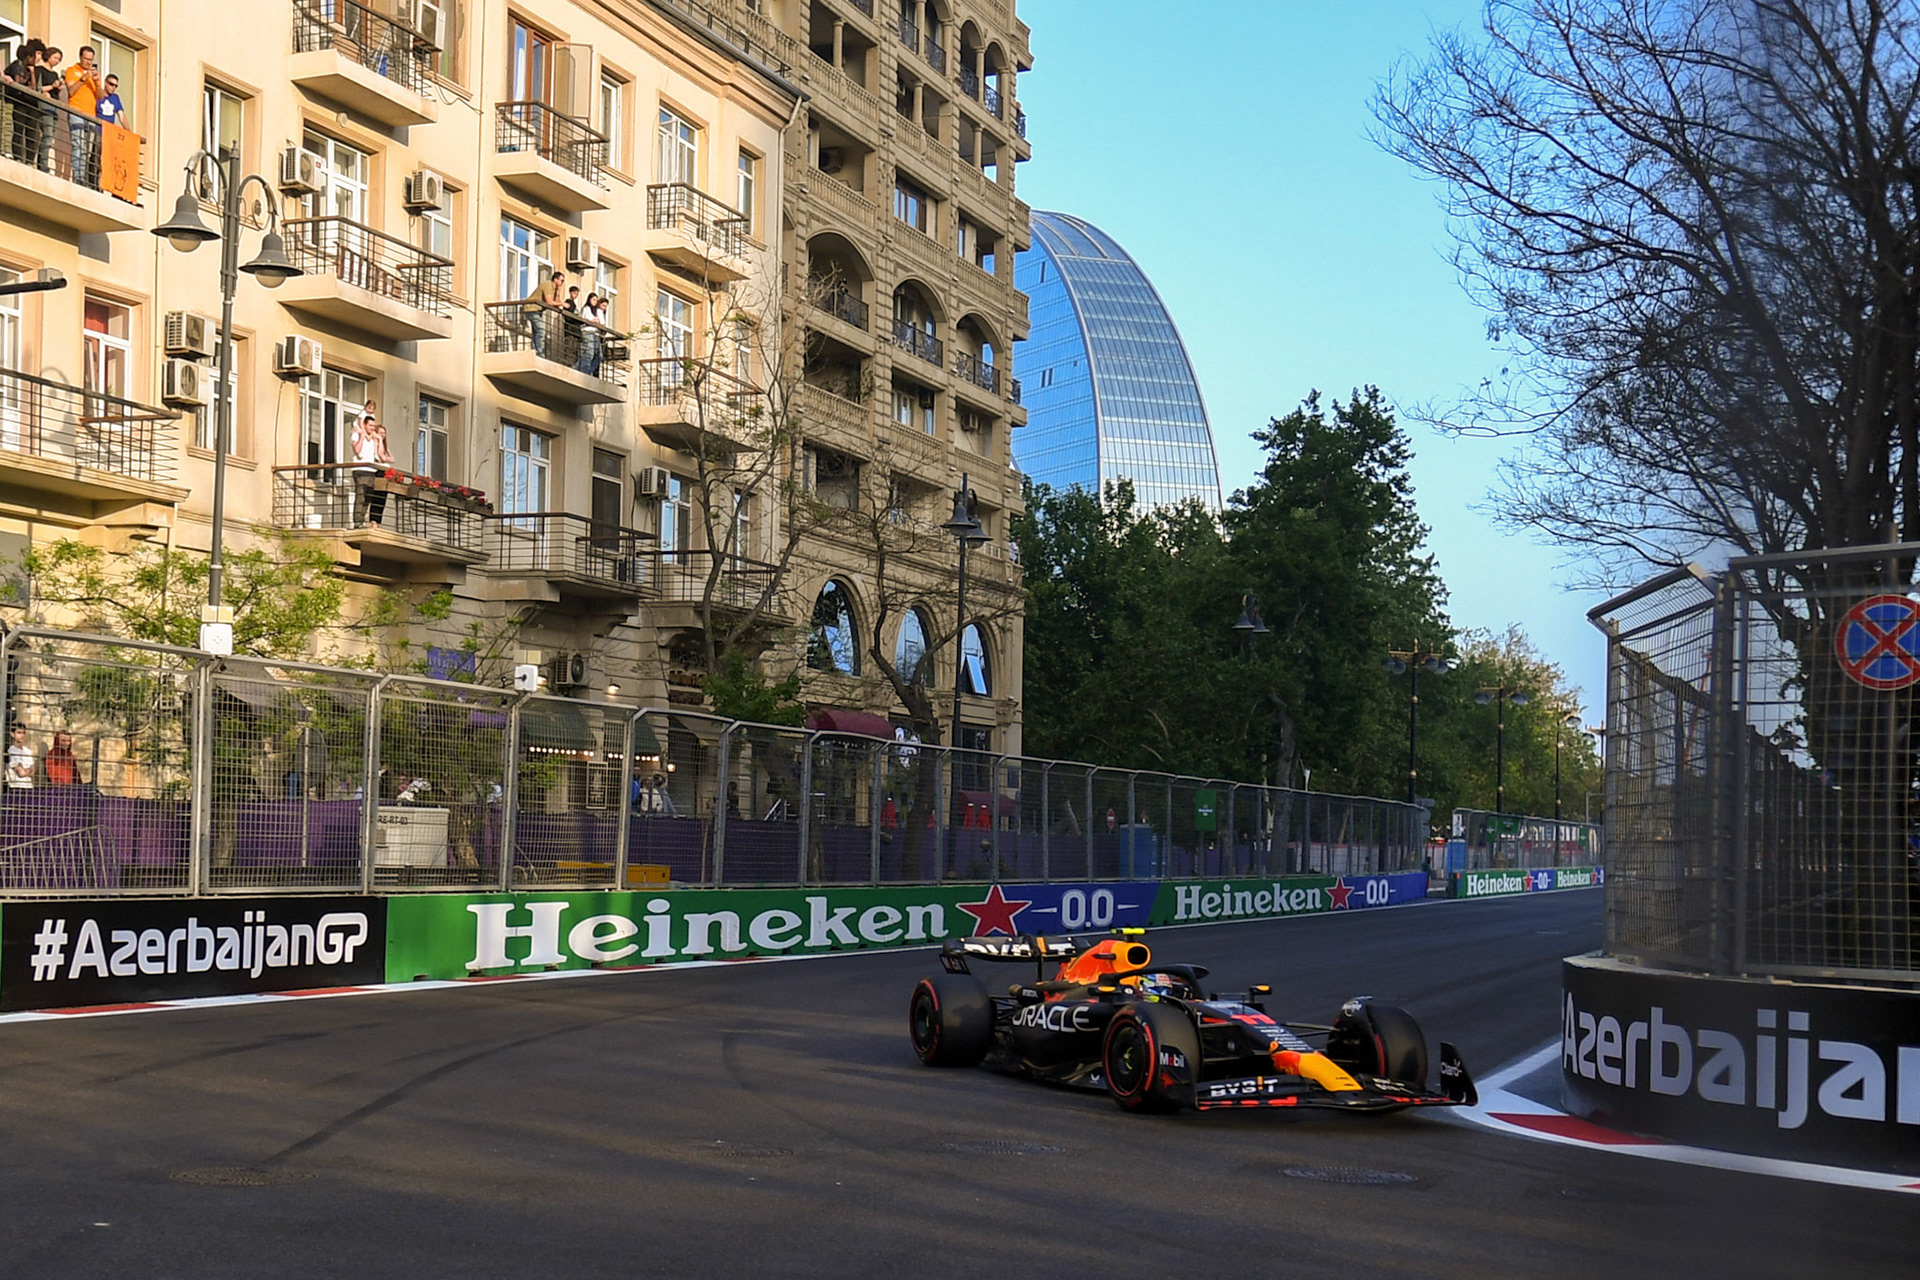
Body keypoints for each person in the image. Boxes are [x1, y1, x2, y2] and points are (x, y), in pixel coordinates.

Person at [349, 400, 394, 525]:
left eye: (374, 426)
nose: (372, 428)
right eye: (370, 426)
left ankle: (362, 521)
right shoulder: (356, 434)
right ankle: (357, 521)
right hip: (360, 469)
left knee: (368, 498)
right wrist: (363, 436)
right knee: (361, 496)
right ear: (364, 425)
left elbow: (380, 456)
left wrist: (379, 440)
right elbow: (357, 451)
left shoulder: (373, 438)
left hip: (371, 471)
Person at [63, 47, 100, 186]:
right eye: (86, 59)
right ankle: (78, 177)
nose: (89, 62)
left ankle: (83, 177)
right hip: (76, 111)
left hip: (91, 114)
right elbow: (71, 91)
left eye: (91, 59)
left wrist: (96, 82)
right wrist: (84, 78)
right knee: (77, 145)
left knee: (87, 149)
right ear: (80, 57)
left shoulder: (95, 76)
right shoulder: (72, 70)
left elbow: (101, 96)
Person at [528, 269, 566, 357]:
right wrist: (562, 303)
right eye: (561, 280)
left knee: (536, 331)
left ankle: (535, 350)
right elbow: (550, 302)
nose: (562, 283)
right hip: (531, 308)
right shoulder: (548, 285)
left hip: (537, 310)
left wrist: (558, 292)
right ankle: (539, 352)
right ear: (555, 279)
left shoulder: (554, 289)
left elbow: (556, 303)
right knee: (541, 330)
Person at [578, 292, 605, 375]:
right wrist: (593, 321)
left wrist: (597, 321)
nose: (595, 302)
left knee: (598, 356)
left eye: (596, 300)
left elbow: (602, 323)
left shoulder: (598, 311)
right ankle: (584, 371)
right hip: (588, 332)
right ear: (589, 300)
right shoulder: (586, 308)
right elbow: (585, 320)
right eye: (593, 299)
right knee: (589, 352)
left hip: (596, 333)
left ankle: (588, 371)